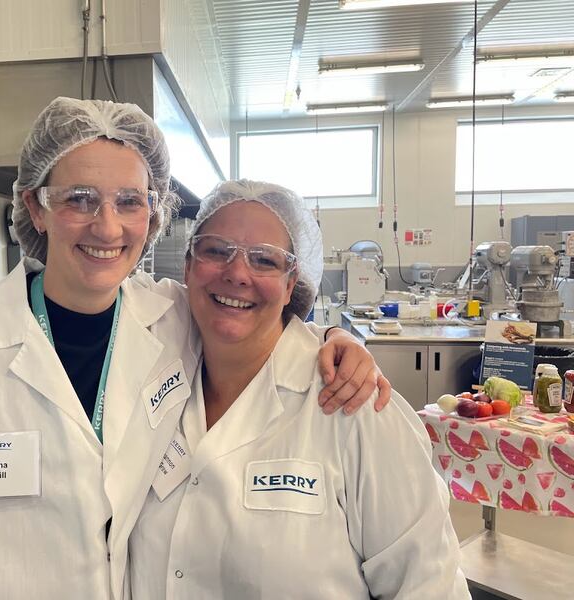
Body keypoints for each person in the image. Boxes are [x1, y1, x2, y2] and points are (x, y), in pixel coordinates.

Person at [0, 97, 388, 599]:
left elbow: (252, 315)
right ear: (36, 207)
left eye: (129, 201)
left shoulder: (172, 316)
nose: (108, 227)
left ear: (153, 213)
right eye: (80, 199)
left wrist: (338, 340)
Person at [128, 179, 469, 599]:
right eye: (216, 250)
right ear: (187, 266)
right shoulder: (153, 371)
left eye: (265, 261)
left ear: (292, 284)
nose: (237, 273)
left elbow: (427, 584)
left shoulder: (356, 403)